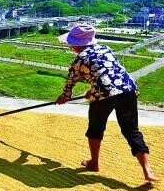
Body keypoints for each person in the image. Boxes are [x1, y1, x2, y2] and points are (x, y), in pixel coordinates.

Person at [55, 24, 157, 182]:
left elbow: (69, 85)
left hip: (104, 94)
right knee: (131, 130)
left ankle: (94, 163)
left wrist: (64, 97)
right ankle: (147, 170)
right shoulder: (105, 49)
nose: (70, 46)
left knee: (95, 129)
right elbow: (107, 72)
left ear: (76, 44)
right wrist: (93, 89)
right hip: (127, 89)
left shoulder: (79, 60)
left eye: (71, 43)